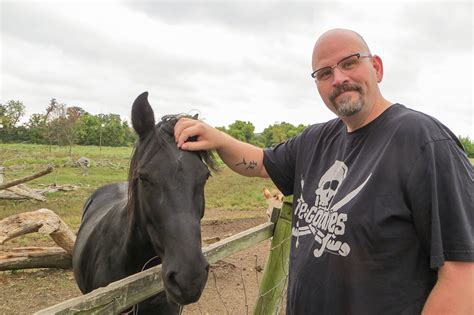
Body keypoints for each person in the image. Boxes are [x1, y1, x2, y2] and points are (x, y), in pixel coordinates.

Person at [174, 29, 474, 314]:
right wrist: (217, 138)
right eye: (325, 73)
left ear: (377, 68)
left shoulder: (424, 141)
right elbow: (262, 162)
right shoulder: (315, 140)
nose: (339, 78)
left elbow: (463, 272)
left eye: (350, 63)